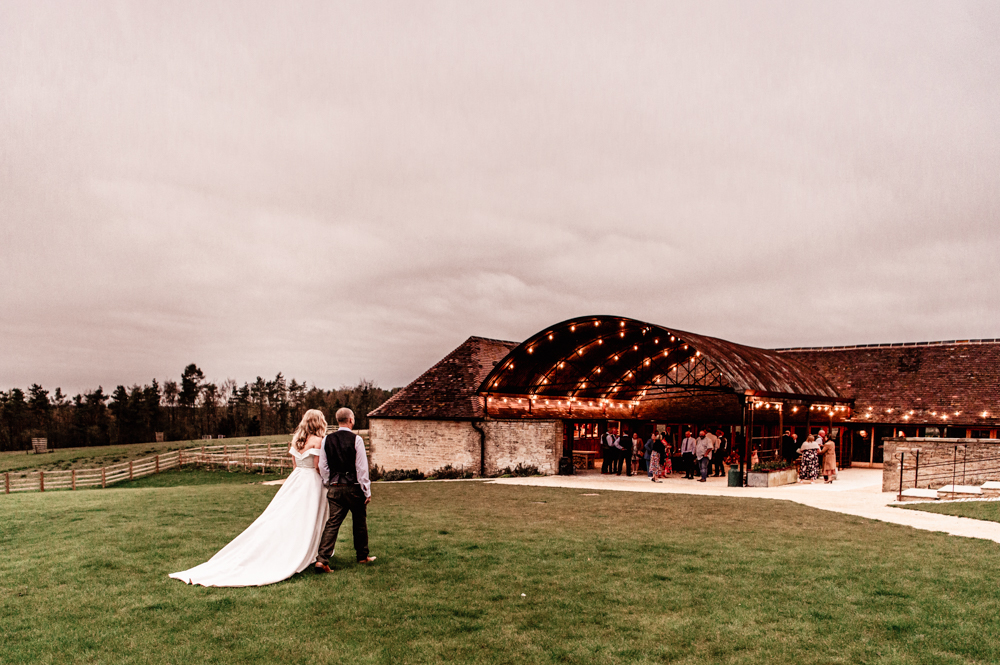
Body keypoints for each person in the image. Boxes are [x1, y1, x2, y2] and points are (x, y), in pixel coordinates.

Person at [169, 409, 330, 587]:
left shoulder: (296, 440)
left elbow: (294, 466)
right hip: (311, 482)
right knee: (307, 517)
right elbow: (317, 467)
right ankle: (307, 550)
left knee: (285, 515)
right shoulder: (318, 441)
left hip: (295, 480)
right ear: (318, 423)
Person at [315, 408, 375, 571]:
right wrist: (366, 490)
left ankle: (322, 559)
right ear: (350, 420)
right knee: (359, 522)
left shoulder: (327, 439)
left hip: (335, 487)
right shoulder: (357, 440)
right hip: (354, 487)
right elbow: (361, 468)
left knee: (333, 523)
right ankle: (362, 556)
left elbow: (323, 466)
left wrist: (329, 482)